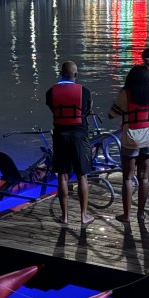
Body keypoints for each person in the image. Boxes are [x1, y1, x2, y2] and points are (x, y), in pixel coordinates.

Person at [108, 65, 149, 223]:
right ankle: (141, 214)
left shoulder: (125, 94)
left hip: (131, 137)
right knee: (144, 177)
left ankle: (126, 215)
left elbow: (111, 114)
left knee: (128, 178)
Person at [45, 61, 94, 225]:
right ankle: (83, 215)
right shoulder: (84, 92)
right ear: (76, 75)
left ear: (61, 74)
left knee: (62, 175)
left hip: (60, 135)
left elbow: (53, 108)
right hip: (79, 135)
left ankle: (65, 216)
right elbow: (87, 110)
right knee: (82, 175)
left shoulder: (51, 92)